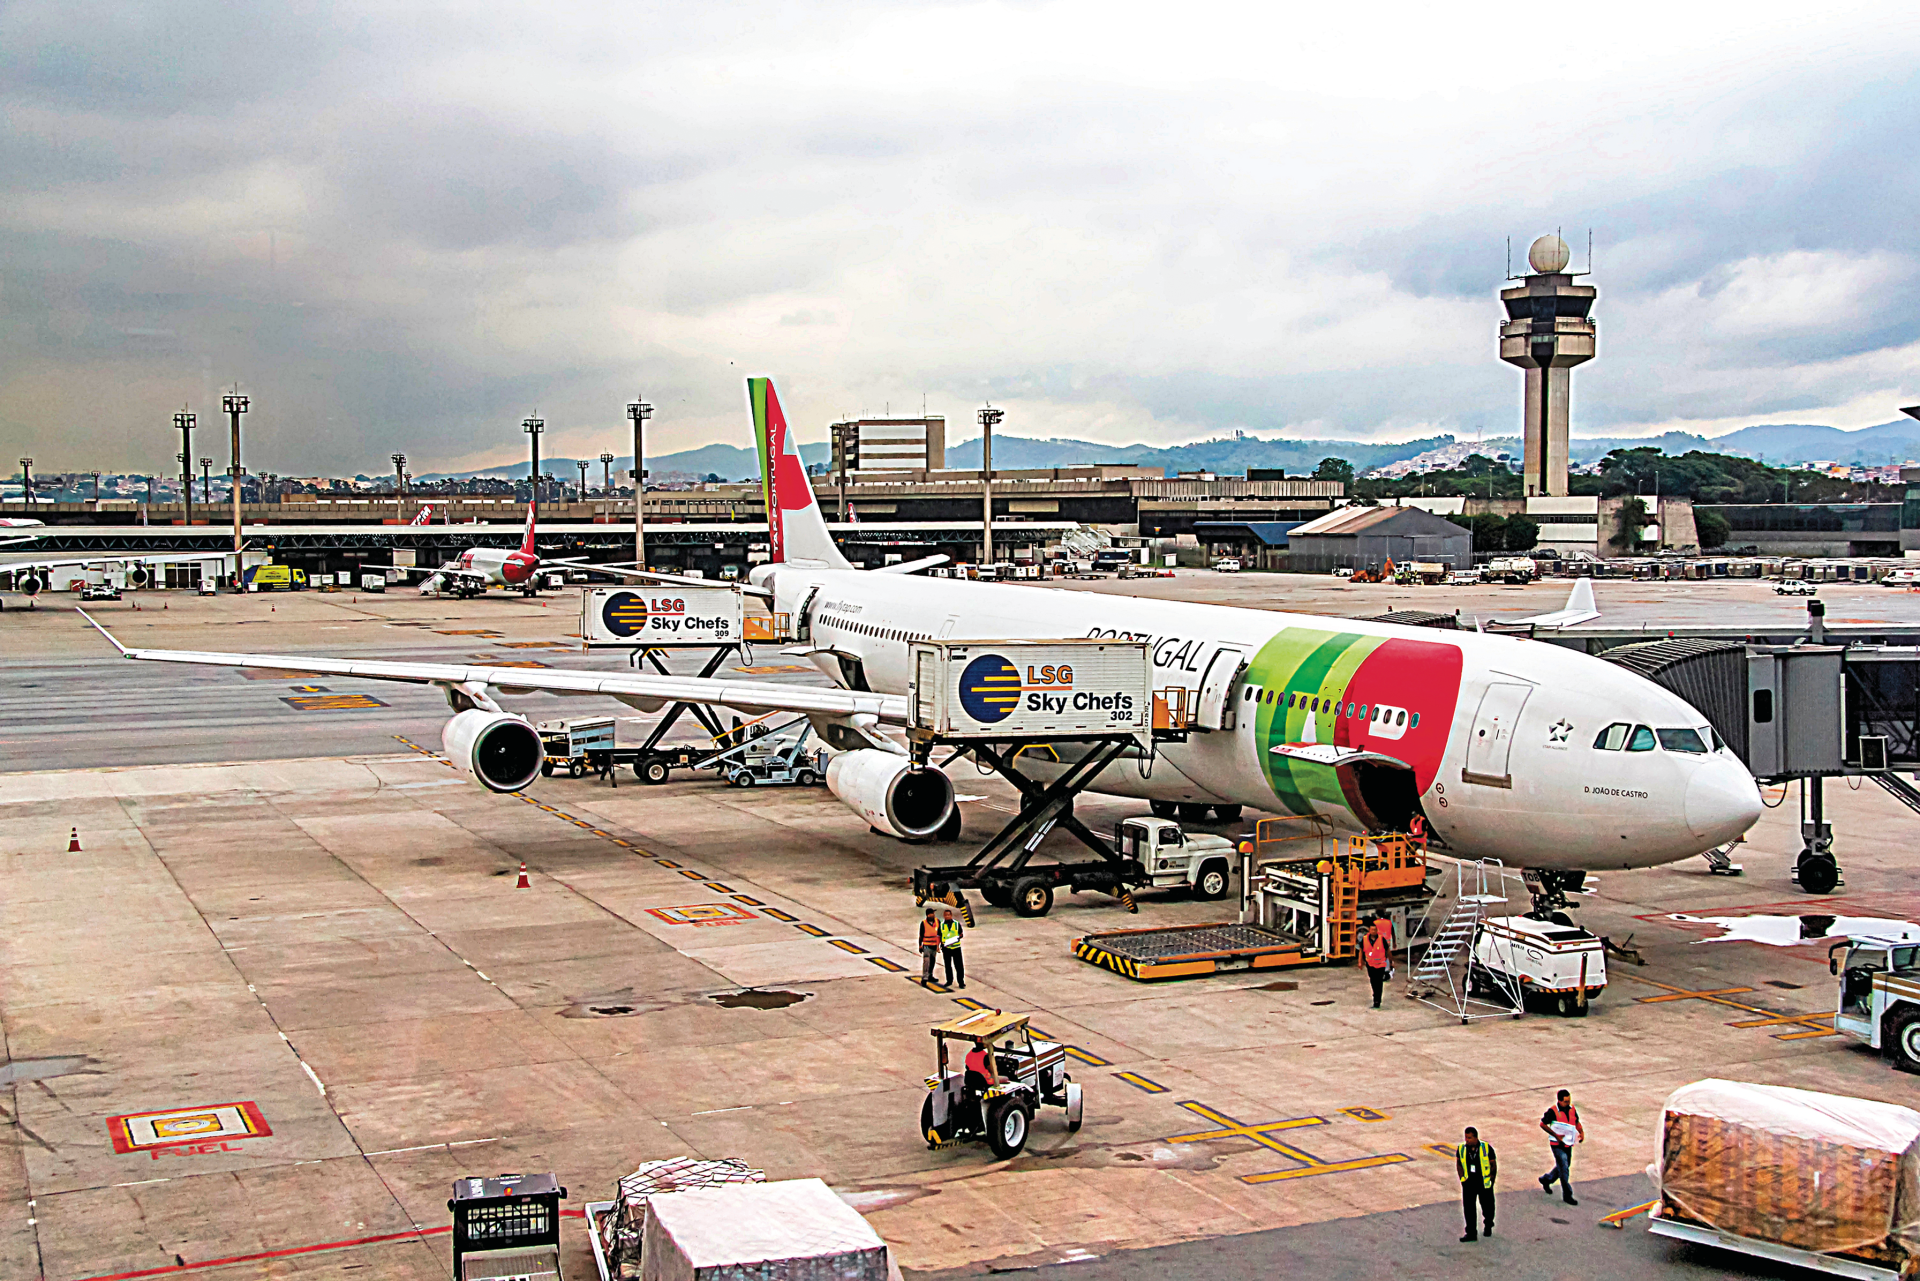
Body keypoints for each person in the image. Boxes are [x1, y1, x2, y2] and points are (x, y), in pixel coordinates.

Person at [1539, 1089, 1584, 1205]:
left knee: (1564, 1165)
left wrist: (1581, 1132)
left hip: (1567, 1143)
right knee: (1564, 1167)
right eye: (1565, 1101)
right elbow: (1542, 1124)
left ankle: (1546, 1179)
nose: (1567, 1104)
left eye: (1569, 1101)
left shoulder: (1572, 1109)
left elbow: (1576, 1122)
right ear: (1559, 1101)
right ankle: (1567, 1195)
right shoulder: (1553, 1111)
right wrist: (1555, 1135)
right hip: (1557, 1144)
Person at [1457, 1126, 1497, 1242]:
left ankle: (1488, 1223)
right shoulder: (1462, 1149)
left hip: (1483, 1182)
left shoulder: (1486, 1148)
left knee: (1488, 1206)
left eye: (1469, 1138)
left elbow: (1493, 1165)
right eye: (1466, 1137)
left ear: (1476, 1138)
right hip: (1469, 1183)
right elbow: (1459, 1164)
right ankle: (1471, 1233)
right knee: (1468, 1208)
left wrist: (1491, 1181)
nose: (1467, 1140)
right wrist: (1462, 1179)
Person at [1360, 915, 1392, 1008]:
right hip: (1370, 964)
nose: (1373, 931)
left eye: (1375, 930)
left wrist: (1391, 961)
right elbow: (1361, 950)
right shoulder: (1365, 939)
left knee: (1379, 982)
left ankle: (1377, 1000)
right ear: (1369, 930)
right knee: (1373, 981)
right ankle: (1375, 994)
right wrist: (1360, 962)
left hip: (1381, 964)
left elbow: (1387, 950)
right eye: (1372, 930)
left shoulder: (1381, 939)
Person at [939, 909, 966, 989]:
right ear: (944, 916)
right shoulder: (941, 925)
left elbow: (961, 934)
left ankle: (961, 982)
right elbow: (939, 935)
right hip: (946, 948)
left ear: (951, 915)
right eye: (946, 915)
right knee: (948, 965)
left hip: (956, 947)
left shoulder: (957, 924)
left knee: (959, 966)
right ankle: (949, 980)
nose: (947, 916)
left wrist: (956, 938)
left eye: (948, 915)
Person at [918, 908, 942, 986]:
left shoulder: (938, 922)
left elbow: (940, 933)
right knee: (926, 962)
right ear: (928, 915)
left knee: (932, 961)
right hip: (927, 946)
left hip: (934, 946)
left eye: (933, 913)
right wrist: (920, 945)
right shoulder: (923, 923)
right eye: (931, 913)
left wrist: (940, 944)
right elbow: (921, 935)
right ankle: (924, 978)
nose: (933, 915)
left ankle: (930, 975)